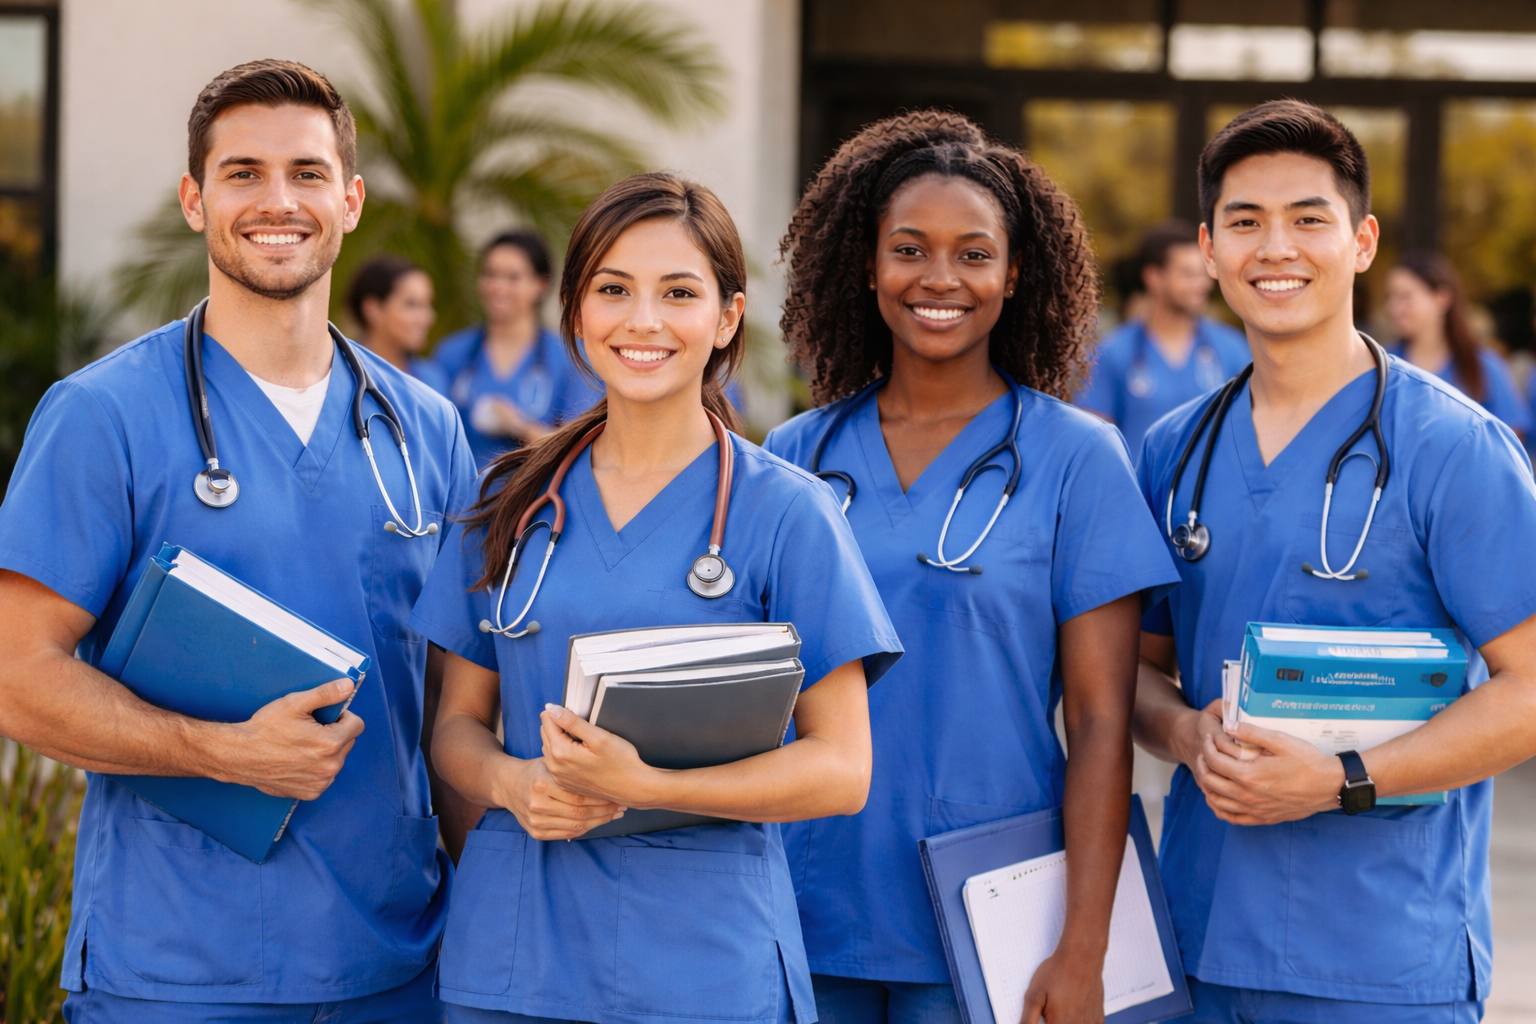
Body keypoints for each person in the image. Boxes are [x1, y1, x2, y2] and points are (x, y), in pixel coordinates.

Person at [0, 60, 478, 1021]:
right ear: (194, 199)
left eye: (306, 174)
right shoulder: (103, 416)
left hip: (395, 963)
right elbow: (16, 673)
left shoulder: (424, 429)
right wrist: (219, 752)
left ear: (349, 202)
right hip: (175, 965)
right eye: (242, 173)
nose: (277, 201)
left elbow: (456, 700)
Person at [410, 171, 903, 1024]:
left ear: (725, 317)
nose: (643, 321)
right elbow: (454, 726)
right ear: (575, 313)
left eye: (679, 292)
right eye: (613, 290)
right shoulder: (509, 503)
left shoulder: (786, 512)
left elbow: (841, 769)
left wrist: (649, 784)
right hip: (517, 959)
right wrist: (512, 783)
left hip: (704, 964)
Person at [764, 110, 1181, 1023]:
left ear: (1015, 271)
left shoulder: (1079, 459)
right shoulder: (796, 454)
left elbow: (1103, 725)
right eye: (909, 249)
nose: (939, 278)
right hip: (806, 901)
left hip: (991, 916)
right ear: (867, 265)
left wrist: (1084, 946)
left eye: (974, 253)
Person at [1133, 100, 1536, 1023]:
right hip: (1195, 944)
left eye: (1308, 219)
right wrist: (1187, 736)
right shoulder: (1172, 452)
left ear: (1361, 242)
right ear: (1209, 248)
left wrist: (1343, 778)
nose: (1276, 248)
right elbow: (1136, 678)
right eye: (1245, 223)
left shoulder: (1452, 449)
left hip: (1382, 957)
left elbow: (1529, 687)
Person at [1078, 221, 1250, 460]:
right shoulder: (1113, 352)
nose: (1202, 284)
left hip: (1210, 495)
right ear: (1154, 277)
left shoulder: (1232, 349)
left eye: (1203, 274)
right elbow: (1093, 441)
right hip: (1139, 495)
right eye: (1188, 274)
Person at [432, 230, 601, 466]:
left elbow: (582, 444)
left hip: (536, 497)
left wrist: (518, 426)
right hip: (464, 498)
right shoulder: (452, 353)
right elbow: (431, 436)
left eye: (512, 278)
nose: (498, 287)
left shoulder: (570, 357)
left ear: (540, 285)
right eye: (490, 275)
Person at [1384, 250, 1530, 439]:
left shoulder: (1483, 365)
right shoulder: (1383, 364)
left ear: (1441, 298)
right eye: (1390, 297)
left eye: (1405, 297)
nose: (1394, 308)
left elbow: (1512, 436)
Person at [346, 253, 451, 394]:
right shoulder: (342, 374)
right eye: (412, 305)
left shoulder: (431, 380)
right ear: (373, 309)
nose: (427, 317)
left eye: (428, 304)